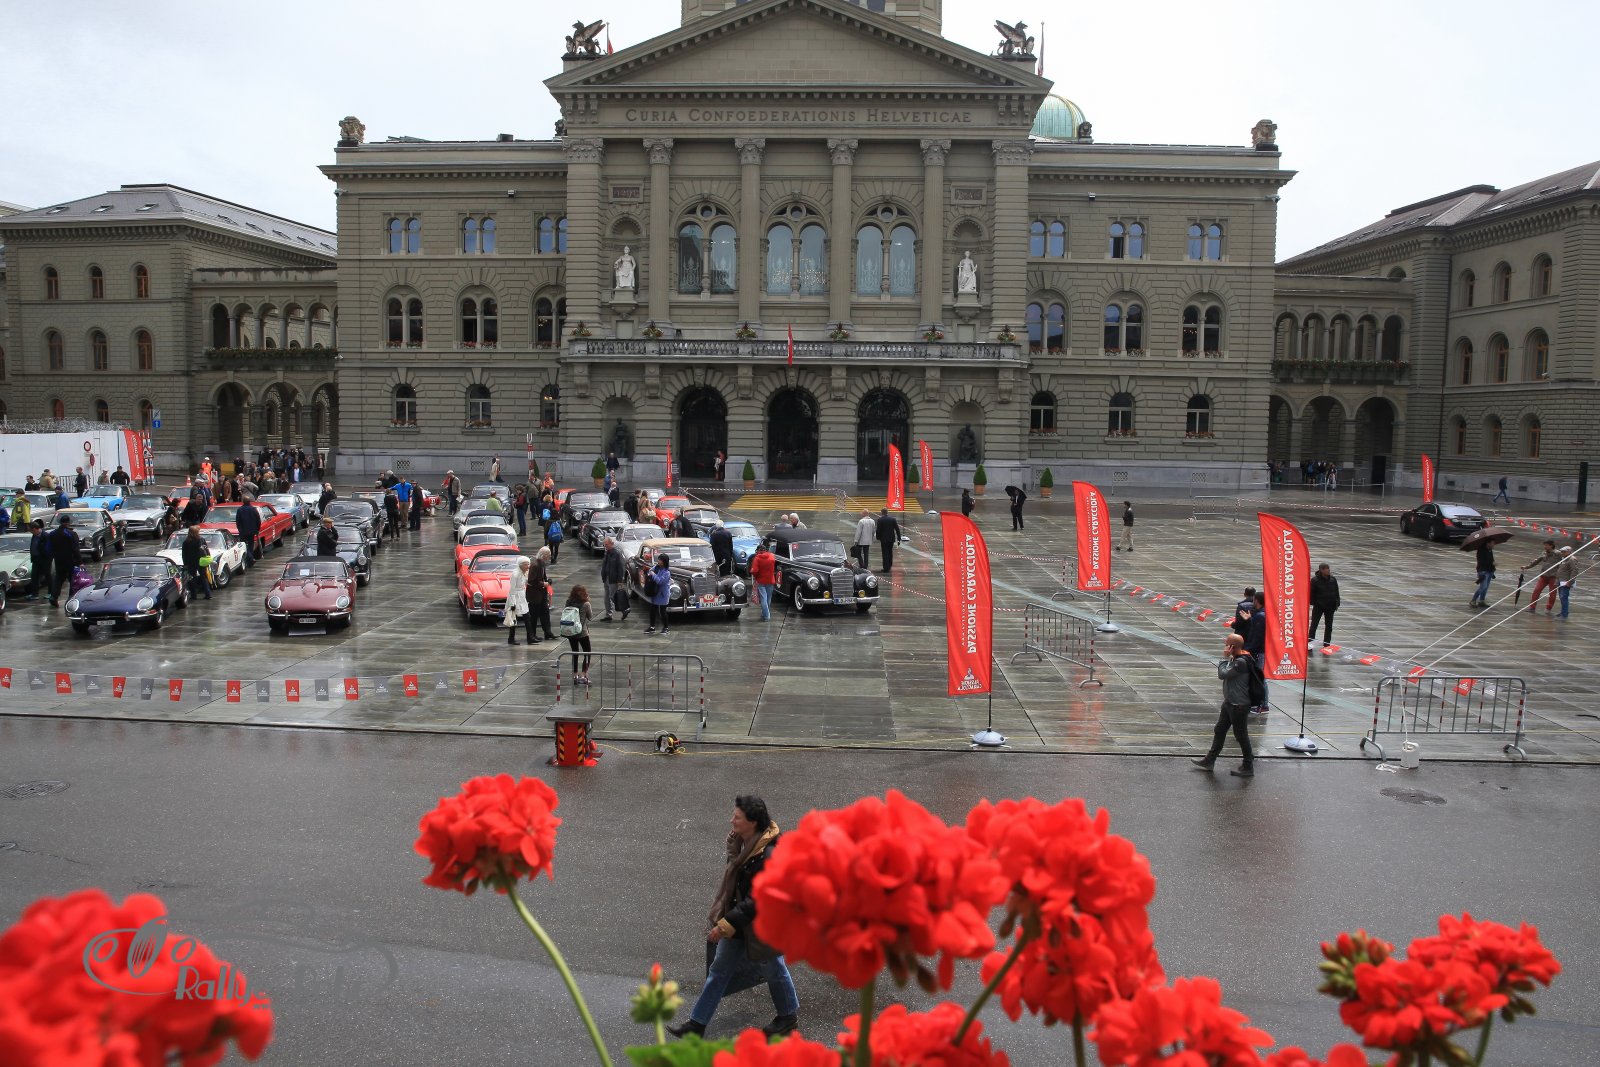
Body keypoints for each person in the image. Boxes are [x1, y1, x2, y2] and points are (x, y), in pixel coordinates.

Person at [668, 795, 799, 1040]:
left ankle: (788, 1016)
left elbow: (758, 898)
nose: (732, 821)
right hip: (740, 920)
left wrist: (726, 923)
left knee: (774, 969)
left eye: (737, 817)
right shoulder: (743, 844)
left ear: (753, 822)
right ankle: (697, 1024)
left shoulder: (769, 855)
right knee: (719, 970)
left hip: (764, 923)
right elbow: (739, 881)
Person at [1190, 634, 1258, 778]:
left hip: (1239, 705)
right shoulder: (1237, 658)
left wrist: (1224, 658)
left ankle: (1248, 765)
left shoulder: (1241, 662)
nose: (1225, 644)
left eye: (1227, 643)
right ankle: (1210, 760)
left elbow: (1223, 674)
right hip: (1229, 702)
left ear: (1232, 647)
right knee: (1220, 729)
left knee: (1241, 736)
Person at [561, 585, 593, 684]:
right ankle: (583, 675)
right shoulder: (586, 604)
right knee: (587, 653)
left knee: (575, 653)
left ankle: (575, 675)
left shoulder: (568, 602)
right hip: (582, 632)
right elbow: (590, 617)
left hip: (571, 631)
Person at [1243, 592, 1268, 714]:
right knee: (1259, 677)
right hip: (1260, 651)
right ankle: (1260, 703)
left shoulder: (1260, 616)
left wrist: (1248, 650)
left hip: (1258, 652)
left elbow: (1257, 637)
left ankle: (1263, 704)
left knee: (1260, 678)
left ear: (1257, 600)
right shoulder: (1261, 615)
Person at [49, 517, 82, 607]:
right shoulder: (71, 534)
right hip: (70, 560)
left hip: (58, 560)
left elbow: (49, 548)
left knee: (58, 578)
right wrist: (80, 561)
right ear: (68, 523)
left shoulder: (53, 534)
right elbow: (76, 549)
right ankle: (71, 598)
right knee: (73, 580)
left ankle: (53, 597)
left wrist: (53, 556)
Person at [1522, 541, 1560, 615]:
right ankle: (1532, 607)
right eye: (1544, 545)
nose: (1545, 547)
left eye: (1546, 545)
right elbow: (1536, 561)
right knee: (1536, 590)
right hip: (1544, 576)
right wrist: (1527, 567)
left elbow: (1566, 558)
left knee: (1552, 594)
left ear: (1551, 546)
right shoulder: (1544, 553)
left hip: (1553, 577)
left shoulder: (1558, 554)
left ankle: (1548, 608)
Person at [527, 548, 555, 642]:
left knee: (545, 613)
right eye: (549, 555)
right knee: (534, 616)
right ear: (544, 555)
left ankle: (548, 632)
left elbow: (542, 577)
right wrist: (543, 584)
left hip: (542, 594)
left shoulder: (542, 564)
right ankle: (532, 635)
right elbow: (531, 581)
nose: (550, 557)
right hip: (535, 595)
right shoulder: (535, 565)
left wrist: (547, 581)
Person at [1309, 563, 1340, 646]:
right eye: (1326, 569)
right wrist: (1315, 603)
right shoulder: (1315, 580)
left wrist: (1337, 603)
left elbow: (1336, 592)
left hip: (1330, 607)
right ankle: (1310, 643)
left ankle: (1327, 644)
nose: (1328, 570)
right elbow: (1311, 593)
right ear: (1321, 570)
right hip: (1319, 607)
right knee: (1314, 625)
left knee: (1329, 626)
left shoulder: (1333, 579)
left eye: (1328, 568)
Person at [180, 525, 212, 601]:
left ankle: (194, 595)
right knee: (204, 578)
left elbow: (184, 554)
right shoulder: (201, 540)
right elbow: (206, 550)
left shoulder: (186, 542)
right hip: (201, 561)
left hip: (191, 563)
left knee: (192, 579)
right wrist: (208, 557)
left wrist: (185, 563)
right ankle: (208, 594)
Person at [504, 556, 531, 645]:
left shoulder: (524, 572)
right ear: (521, 565)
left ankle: (530, 637)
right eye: (526, 565)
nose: (528, 566)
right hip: (515, 597)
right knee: (513, 618)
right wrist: (512, 603)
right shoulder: (515, 574)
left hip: (522, 596)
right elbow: (512, 590)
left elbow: (526, 582)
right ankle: (511, 639)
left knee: (527, 616)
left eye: (528, 564)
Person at [644, 552, 672, 635]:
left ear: (664, 561)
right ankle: (652, 627)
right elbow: (650, 571)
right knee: (652, 610)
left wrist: (653, 575)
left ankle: (666, 628)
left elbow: (660, 581)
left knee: (662, 612)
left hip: (663, 594)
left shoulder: (667, 572)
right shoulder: (656, 567)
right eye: (659, 559)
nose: (658, 561)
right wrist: (650, 573)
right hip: (655, 592)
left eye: (660, 560)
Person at [600, 536, 626, 622]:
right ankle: (608, 615)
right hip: (606, 578)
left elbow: (621, 567)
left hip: (613, 579)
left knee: (612, 596)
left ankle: (624, 610)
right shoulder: (607, 553)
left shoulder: (617, 553)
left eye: (606, 544)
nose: (605, 546)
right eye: (604, 545)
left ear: (612, 544)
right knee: (606, 598)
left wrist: (620, 580)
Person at [750, 541, 777, 621]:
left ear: (758, 550)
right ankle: (764, 613)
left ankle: (766, 616)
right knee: (768, 598)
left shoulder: (757, 558)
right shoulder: (772, 556)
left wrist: (756, 577)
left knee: (763, 598)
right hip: (771, 580)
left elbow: (754, 570)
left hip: (761, 581)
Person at [26, 519, 51, 600]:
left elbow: (49, 549)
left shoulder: (45, 536)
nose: (29, 531)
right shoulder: (34, 535)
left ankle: (51, 593)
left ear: (34, 529)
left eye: (30, 530)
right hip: (36, 559)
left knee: (47, 575)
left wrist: (46, 556)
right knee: (34, 576)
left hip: (45, 559)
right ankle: (34, 594)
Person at [1471, 538, 1496, 609]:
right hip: (1483, 571)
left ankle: (1482, 600)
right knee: (1483, 587)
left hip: (1490, 571)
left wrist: (1493, 565)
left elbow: (1491, 559)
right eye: (1492, 543)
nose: (1493, 545)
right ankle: (1473, 600)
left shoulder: (1490, 550)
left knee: (1486, 587)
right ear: (1488, 543)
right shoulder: (1481, 551)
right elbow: (1482, 562)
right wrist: (1492, 563)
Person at [876, 508, 901, 573]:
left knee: (885, 553)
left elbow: (878, 530)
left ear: (882, 512)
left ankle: (886, 568)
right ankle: (889, 565)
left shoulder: (880, 520)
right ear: (887, 512)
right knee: (890, 552)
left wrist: (878, 537)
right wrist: (899, 538)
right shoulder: (893, 519)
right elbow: (897, 529)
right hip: (891, 539)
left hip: (883, 539)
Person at [1554, 545, 1576, 619]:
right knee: (1561, 597)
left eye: (1564, 552)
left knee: (1564, 597)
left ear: (1569, 552)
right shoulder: (1564, 559)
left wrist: (1570, 581)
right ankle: (1563, 612)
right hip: (1560, 580)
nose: (1562, 553)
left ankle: (1564, 614)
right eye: (1561, 552)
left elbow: (1574, 571)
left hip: (1566, 581)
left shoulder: (1572, 559)